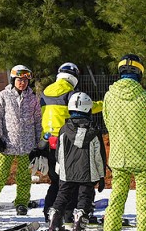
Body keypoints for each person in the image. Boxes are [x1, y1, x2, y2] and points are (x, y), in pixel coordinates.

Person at [102, 54, 146, 231]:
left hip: (119, 154)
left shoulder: (109, 96)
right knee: (144, 196)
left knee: (117, 195)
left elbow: (107, 122)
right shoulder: (145, 97)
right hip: (142, 154)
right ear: (139, 72)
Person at [39, 62, 102, 221]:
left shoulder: (45, 93)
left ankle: (50, 212)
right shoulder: (70, 93)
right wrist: (104, 103)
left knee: (56, 181)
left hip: (48, 141)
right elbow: (87, 106)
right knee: (72, 181)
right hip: (68, 140)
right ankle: (69, 213)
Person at [46, 92, 107, 231]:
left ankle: (55, 229)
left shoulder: (63, 130)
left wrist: (60, 171)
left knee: (62, 197)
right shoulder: (93, 132)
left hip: (67, 173)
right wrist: (101, 175)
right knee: (84, 198)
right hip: (88, 172)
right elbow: (98, 156)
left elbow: (59, 153)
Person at [0, 65, 41, 215]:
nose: (22, 83)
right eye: (19, 80)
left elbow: (37, 120)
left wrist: (38, 142)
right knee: (0, 174)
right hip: (7, 143)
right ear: (13, 80)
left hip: (27, 144)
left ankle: (22, 202)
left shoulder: (32, 97)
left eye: (25, 80)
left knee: (24, 176)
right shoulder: (3, 96)